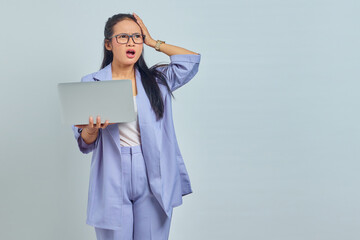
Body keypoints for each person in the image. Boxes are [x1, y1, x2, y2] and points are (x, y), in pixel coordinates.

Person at [72, 12, 201, 240]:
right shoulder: (92, 83)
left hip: (153, 172)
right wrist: (91, 130)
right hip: (112, 173)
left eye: (136, 36)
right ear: (108, 44)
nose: (131, 42)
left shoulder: (157, 81)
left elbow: (190, 61)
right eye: (123, 37)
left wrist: (153, 42)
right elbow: (85, 143)